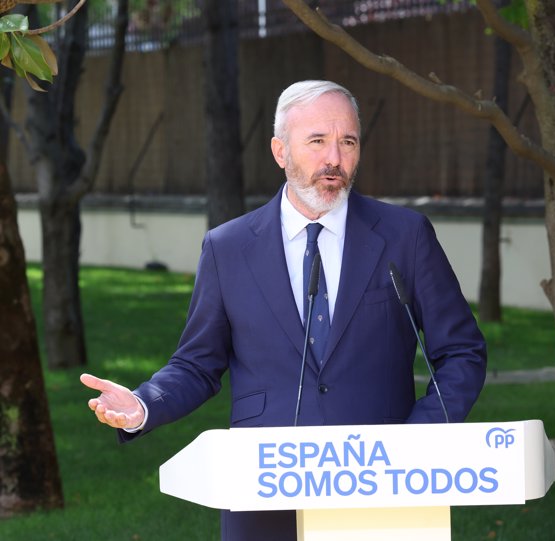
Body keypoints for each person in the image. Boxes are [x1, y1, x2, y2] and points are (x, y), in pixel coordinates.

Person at [80, 79, 487, 541]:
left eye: (347, 142)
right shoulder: (227, 247)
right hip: (263, 491)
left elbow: (462, 352)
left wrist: (416, 441)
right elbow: (197, 363)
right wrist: (142, 405)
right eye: (317, 141)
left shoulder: (404, 235)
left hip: (383, 486)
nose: (334, 158)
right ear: (280, 151)